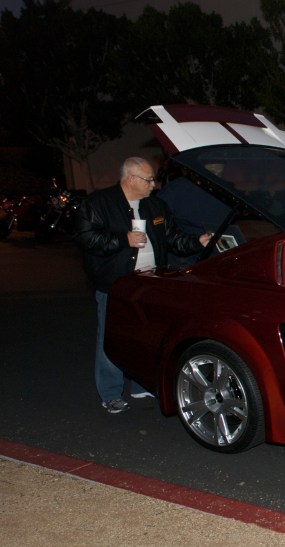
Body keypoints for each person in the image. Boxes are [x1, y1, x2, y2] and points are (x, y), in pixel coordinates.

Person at [74, 157, 211, 413]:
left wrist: (197, 242)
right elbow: (85, 237)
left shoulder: (155, 206)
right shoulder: (98, 203)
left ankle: (140, 384)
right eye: (148, 179)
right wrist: (122, 239)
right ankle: (110, 392)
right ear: (130, 179)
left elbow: (173, 238)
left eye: (152, 179)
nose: (153, 184)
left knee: (145, 337)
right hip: (115, 284)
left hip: (148, 285)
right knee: (110, 338)